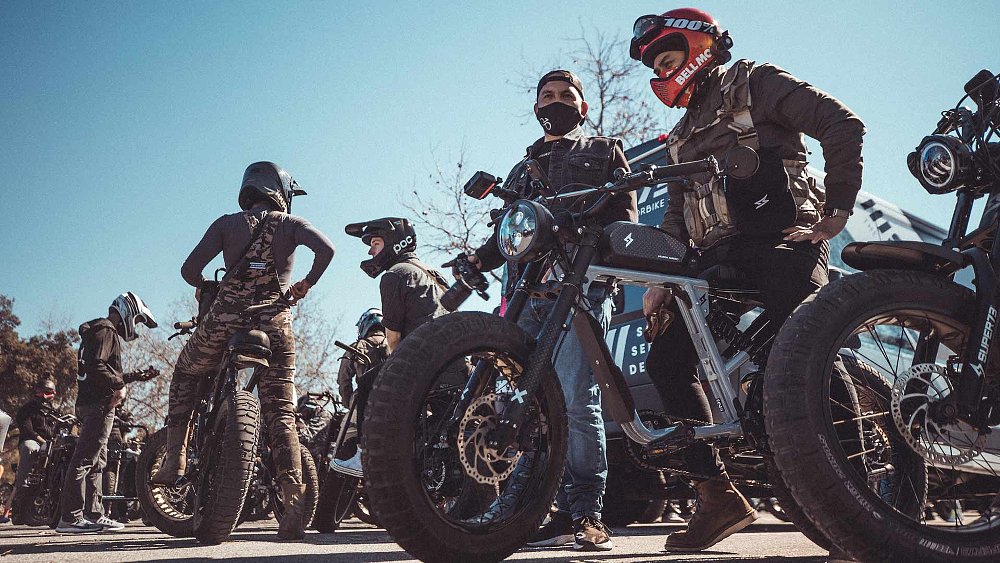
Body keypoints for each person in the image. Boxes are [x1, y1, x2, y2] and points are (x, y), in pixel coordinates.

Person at [628, 7, 865, 552]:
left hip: (784, 240)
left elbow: (841, 123)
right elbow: (674, 213)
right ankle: (718, 498)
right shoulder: (681, 134)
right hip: (714, 260)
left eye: (670, 57)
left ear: (699, 45)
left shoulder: (756, 81)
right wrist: (662, 277)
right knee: (667, 360)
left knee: (803, 348)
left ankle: (859, 496)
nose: (663, 71)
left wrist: (838, 208)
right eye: (656, 65)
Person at [465, 69, 637, 552]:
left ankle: (585, 512)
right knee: (526, 403)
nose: (555, 102)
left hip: (579, 290)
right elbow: (511, 234)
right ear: (536, 107)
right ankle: (527, 504)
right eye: (547, 96)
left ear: (582, 108)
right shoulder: (520, 171)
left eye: (566, 96)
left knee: (576, 400)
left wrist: (586, 241)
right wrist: (478, 259)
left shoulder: (604, 150)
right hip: (524, 294)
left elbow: (623, 216)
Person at [150, 161, 334, 540]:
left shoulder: (226, 223)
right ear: (281, 192)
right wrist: (302, 286)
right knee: (281, 411)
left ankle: (175, 459)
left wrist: (205, 285)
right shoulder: (290, 225)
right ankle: (294, 504)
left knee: (186, 370)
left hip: (225, 322)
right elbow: (327, 250)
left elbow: (188, 270)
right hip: (276, 325)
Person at [337, 220, 448, 477]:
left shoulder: (395, 274)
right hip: (455, 365)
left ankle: (365, 458)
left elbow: (395, 341)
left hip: (425, 363)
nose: (370, 251)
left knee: (367, 383)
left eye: (375, 243)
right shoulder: (433, 273)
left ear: (395, 241)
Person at [57, 292, 157, 533]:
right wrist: (120, 385)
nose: (137, 325)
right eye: (139, 319)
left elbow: (98, 368)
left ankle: (94, 514)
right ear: (128, 311)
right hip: (99, 405)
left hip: (89, 402)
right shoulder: (107, 330)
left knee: (97, 460)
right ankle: (70, 518)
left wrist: (133, 377)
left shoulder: (97, 330)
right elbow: (97, 365)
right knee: (85, 459)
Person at [12, 378, 58, 524]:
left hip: (52, 444)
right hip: (34, 441)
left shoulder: (55, 412)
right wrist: (42, 441)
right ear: (35, 393)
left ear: (54, 393)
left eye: (48, 392)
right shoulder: (27, 408)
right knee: (30, 448)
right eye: (41, 392)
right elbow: (27, 429)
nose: (44, 396)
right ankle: (23, 483)